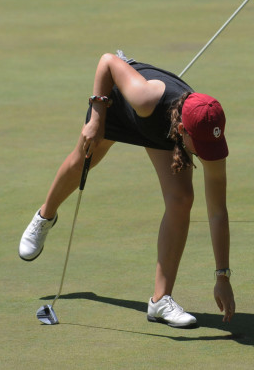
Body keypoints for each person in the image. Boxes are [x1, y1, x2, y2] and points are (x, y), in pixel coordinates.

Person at [18, 51, 235, 328]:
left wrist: (222, 277)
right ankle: (45, 216)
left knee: (181, 199)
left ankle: (160, 301)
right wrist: (96, 117)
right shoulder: (145, 97)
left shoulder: (207, 131)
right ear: (183, 130)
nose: (208, 155)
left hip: (160, 128)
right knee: (82, 160)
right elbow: (107, 61)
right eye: (202, 148)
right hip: (118, 103)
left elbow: (218, 212)